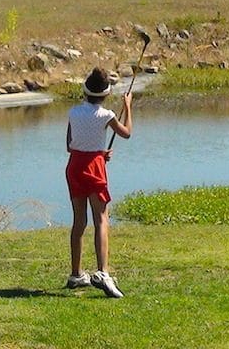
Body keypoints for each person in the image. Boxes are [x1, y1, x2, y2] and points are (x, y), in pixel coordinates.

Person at [64, 66, 133, 298]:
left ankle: (76, 274)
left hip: (75, 166)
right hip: (94, 168)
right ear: (105, 94)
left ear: (85, 92)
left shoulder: (73, 113)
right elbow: (126, 133)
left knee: (79, 221)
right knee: (102, 219)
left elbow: (70, 145)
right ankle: (103, 273)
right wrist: (128, 108)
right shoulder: (107, 115)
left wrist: (99, 153)